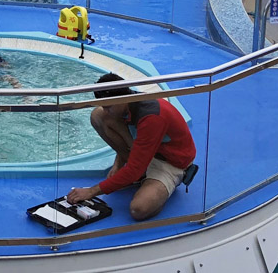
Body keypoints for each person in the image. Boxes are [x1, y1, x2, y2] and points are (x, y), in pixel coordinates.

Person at [66, 74, 196, 222]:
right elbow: (135, 140)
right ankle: (140, 175)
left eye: (109, 107)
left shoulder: (151, 117)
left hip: (170, 163)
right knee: (98, 115)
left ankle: (162, 185)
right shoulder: (127, 102)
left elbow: (135, 170)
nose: (106, 110)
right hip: (147, 152)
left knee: (138, 209)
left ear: (122, 99)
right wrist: (119, 164)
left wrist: (91, 191)